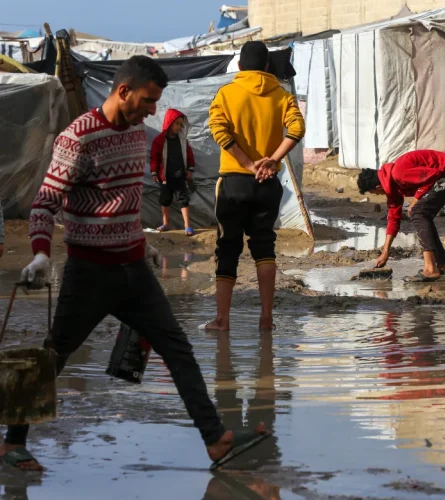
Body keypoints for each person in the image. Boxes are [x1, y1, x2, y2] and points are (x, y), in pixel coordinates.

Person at [0, 56, 265, 472]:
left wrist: (143, 244)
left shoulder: (137, 135)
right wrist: (38, 251)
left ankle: (216, 440)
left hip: (134, 270)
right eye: (148, 100)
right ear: (123, 91)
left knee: (178, 349)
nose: (152, 110)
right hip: (89, 272)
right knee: (55, 355)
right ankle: (11, 443)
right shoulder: (78, 138)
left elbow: (121, 203)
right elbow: (45, 203)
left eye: (156, 102)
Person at [205, 41, 305, 332]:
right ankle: (266, 318)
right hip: (267, 184)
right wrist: (271, 161)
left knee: (227, 249)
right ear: (266, 67)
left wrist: (248, 165)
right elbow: (297, 129)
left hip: (234, 182)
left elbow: (218, 130)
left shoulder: (226, 93)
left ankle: (222, 320)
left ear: (239, 66)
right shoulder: (281, 94)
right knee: (264, 248)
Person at [356, 149, 445, 282]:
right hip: (444, 177)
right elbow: (393, 219)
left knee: (418, 212)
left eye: (374, 193)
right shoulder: (392, 188)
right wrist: (385, 252)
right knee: (422, 214)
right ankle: (444, 264)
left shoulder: (399, 173)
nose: (377, 195)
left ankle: (430, 269)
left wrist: (415, 200)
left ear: (378, 186)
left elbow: (434, 174)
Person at [150, 108, 196, 236]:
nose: (179, 127)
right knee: (165, 200)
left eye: (181, 124)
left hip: (180, 176)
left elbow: (189, 155)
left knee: (183, 200)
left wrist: (190, 169)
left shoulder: (182, 141)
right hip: (165, 177)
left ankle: (187, 225)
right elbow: (154, 157)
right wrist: (154, 172)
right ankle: (166, 223)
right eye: (177, 123)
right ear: (169, 123)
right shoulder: (159, 140)